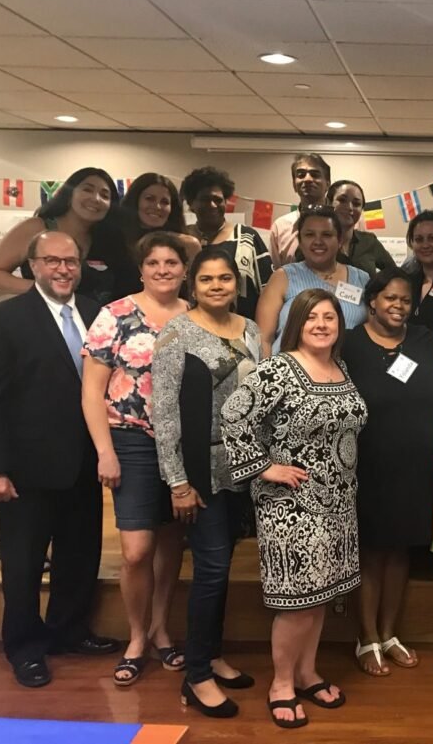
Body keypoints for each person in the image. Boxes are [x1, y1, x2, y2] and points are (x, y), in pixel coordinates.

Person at [0, 230, 121, 689]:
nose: (62, 269)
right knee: (23, 565)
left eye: (70, 261)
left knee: (80, 555)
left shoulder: (97, 314)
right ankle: (25, 648)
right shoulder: (1, 320)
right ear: (32, 265)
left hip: (84, 464)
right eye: (52, 261)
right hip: (24, 470)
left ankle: (69, 632)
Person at [222, 289, 366, 729]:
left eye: (329, 317)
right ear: (296, 324)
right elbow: (233, 416)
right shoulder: (278, 370)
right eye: (311, 318)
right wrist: (265, 467)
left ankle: (306, 672)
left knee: (319, 596)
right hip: (292, 505)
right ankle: (282, 683)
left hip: (338, 502)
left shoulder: (339, 367)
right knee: (298, 601)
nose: (321, 325)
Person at [151, 247, 262, 719]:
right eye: (206, 280)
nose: (216, 286)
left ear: (236, 284)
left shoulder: (251, 330)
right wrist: (177, 482)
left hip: (244, 469)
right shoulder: (176, 333)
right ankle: (195, 676)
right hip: (200, 472)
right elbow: (164, 414)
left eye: (224, 278)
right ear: (192, 286)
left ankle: (213, 656)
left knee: (224, 566)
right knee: (211, 570)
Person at [81, 232, 189, 686]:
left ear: (184, 269)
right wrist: (104, 451)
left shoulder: (195, 316)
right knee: (137, 550)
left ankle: (161, 630)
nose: (163, 270)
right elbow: (91, 391)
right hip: (131, 441)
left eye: (171, 262)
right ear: (141, 269)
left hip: (182, 446)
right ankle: (136, 637)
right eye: (154, 262)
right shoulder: (116, 315)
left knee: (170, 544)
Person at [342, 269, 433, 676]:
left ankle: (388, 633)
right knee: (370, 552)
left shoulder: (424, 340)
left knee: (400, 550)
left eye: (405, 300)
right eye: (390, 298)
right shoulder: (349, 343)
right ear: (372, 301)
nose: (398, 306)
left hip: (416, 464)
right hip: (366, 462)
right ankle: (365, 637)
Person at [0, 167, 131, 306]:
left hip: (98, 322)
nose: (96, 198)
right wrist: (45, 290)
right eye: (87, 190)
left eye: (104, 195)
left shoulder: (109, 240)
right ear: (69, 194)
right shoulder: (36, 228)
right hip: (43, 318)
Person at [257, 208, 370, 356]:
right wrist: (267, 370)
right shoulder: (282, 277)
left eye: (327, 235)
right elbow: (263, 339)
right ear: (300, 241)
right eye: (310, 235)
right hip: (288, 368)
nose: (318, 241)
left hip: (348, 367)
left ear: (340, 240)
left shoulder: (362, 279)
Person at [181, 165, 272, 321]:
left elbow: (269, 294)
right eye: (204, 199)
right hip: (188, 329)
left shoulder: (247, 238)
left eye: (218, 200)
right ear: (191, 204)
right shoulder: (181, 239)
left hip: (241, 329)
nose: (212, 205)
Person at [111, 173, 202, 296]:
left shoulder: (187, 244)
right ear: (136, 200)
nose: (157, 206)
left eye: (165, 202)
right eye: (149, 199)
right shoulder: (115, 239)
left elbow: (196, 292)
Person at [270, 153, 331, 268]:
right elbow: (275, 273)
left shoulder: (345, 222)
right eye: (301, 175)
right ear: (294, 185)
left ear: (328, 184)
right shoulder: (280, 227)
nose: (307, 179)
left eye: (315, 174)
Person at [327, 179, 395, 276]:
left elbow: (395, 274)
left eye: (356, 204)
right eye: (342, 200)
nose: (350, 207)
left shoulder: (369, 241)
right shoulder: (317, 242)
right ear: (329, 203)